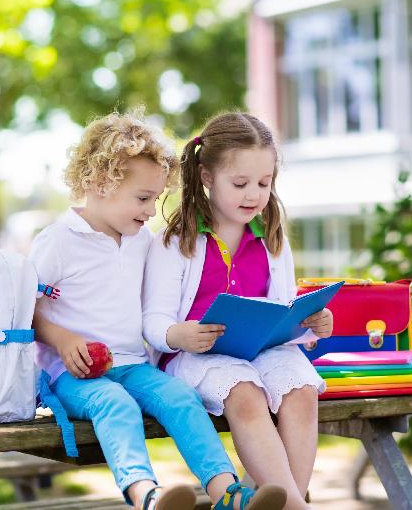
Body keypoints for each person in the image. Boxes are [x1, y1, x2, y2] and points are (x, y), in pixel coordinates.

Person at [30, 111, 287, 510]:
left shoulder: (140, 241)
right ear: (100, 184)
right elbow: (24, 308)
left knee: (181, 398)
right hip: (74, 373)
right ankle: (146, 495)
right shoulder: (59, 241)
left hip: (133, 364)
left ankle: (228, 493)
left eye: (154, 199)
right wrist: (63, 341)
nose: (152, 211)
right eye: (143, 198)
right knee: (116, 405)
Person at [143, 112, 334, 510]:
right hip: (195, 356)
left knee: (301, 390)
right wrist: (178, 334)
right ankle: (298, 507)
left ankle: (289, 501)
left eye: (264, 183)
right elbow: (154, 321)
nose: (254, 195)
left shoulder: (272, 238)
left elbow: (285, 311)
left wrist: (312, 324)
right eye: (241, 183)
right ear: (207, 177)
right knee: (245, 394)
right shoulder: (175, 242)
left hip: (263, 351)